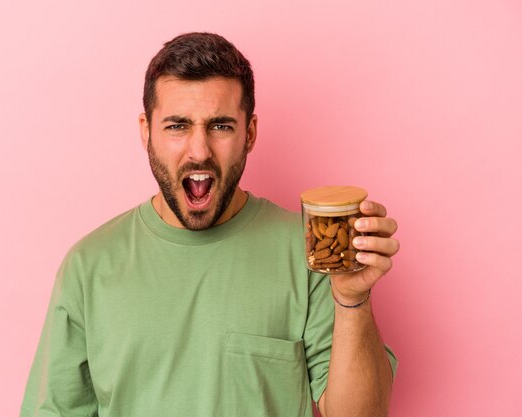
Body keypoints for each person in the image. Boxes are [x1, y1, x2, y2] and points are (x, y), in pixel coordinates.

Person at [20, 32, 400, 417]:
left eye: (220, 126)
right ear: (145, 131)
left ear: (249, 134)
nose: (199, 150)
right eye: (176, 126)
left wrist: (352, 297)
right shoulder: (89, 266)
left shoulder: (305, 252)